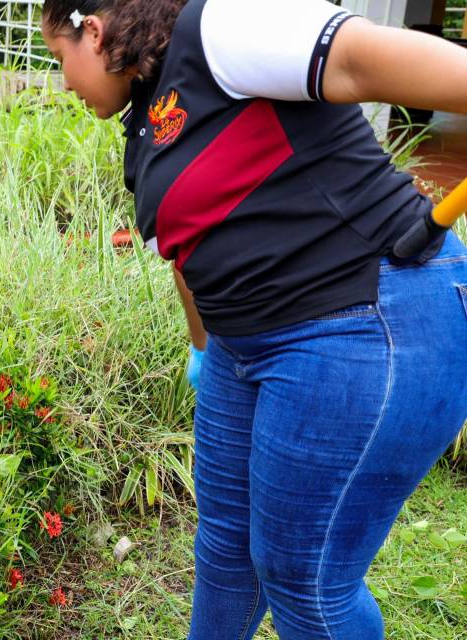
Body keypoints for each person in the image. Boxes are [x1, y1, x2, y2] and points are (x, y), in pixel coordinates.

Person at [41, 0, 467, 637]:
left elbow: (354, 59)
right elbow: (185, 249)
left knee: (305, 582)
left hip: (363, 319)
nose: (63, 82)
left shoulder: (219, 31)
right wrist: (202, 350)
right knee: (224, 550)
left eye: (59, 60)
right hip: (242, 347)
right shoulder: (145, 123)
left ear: (94, 33)